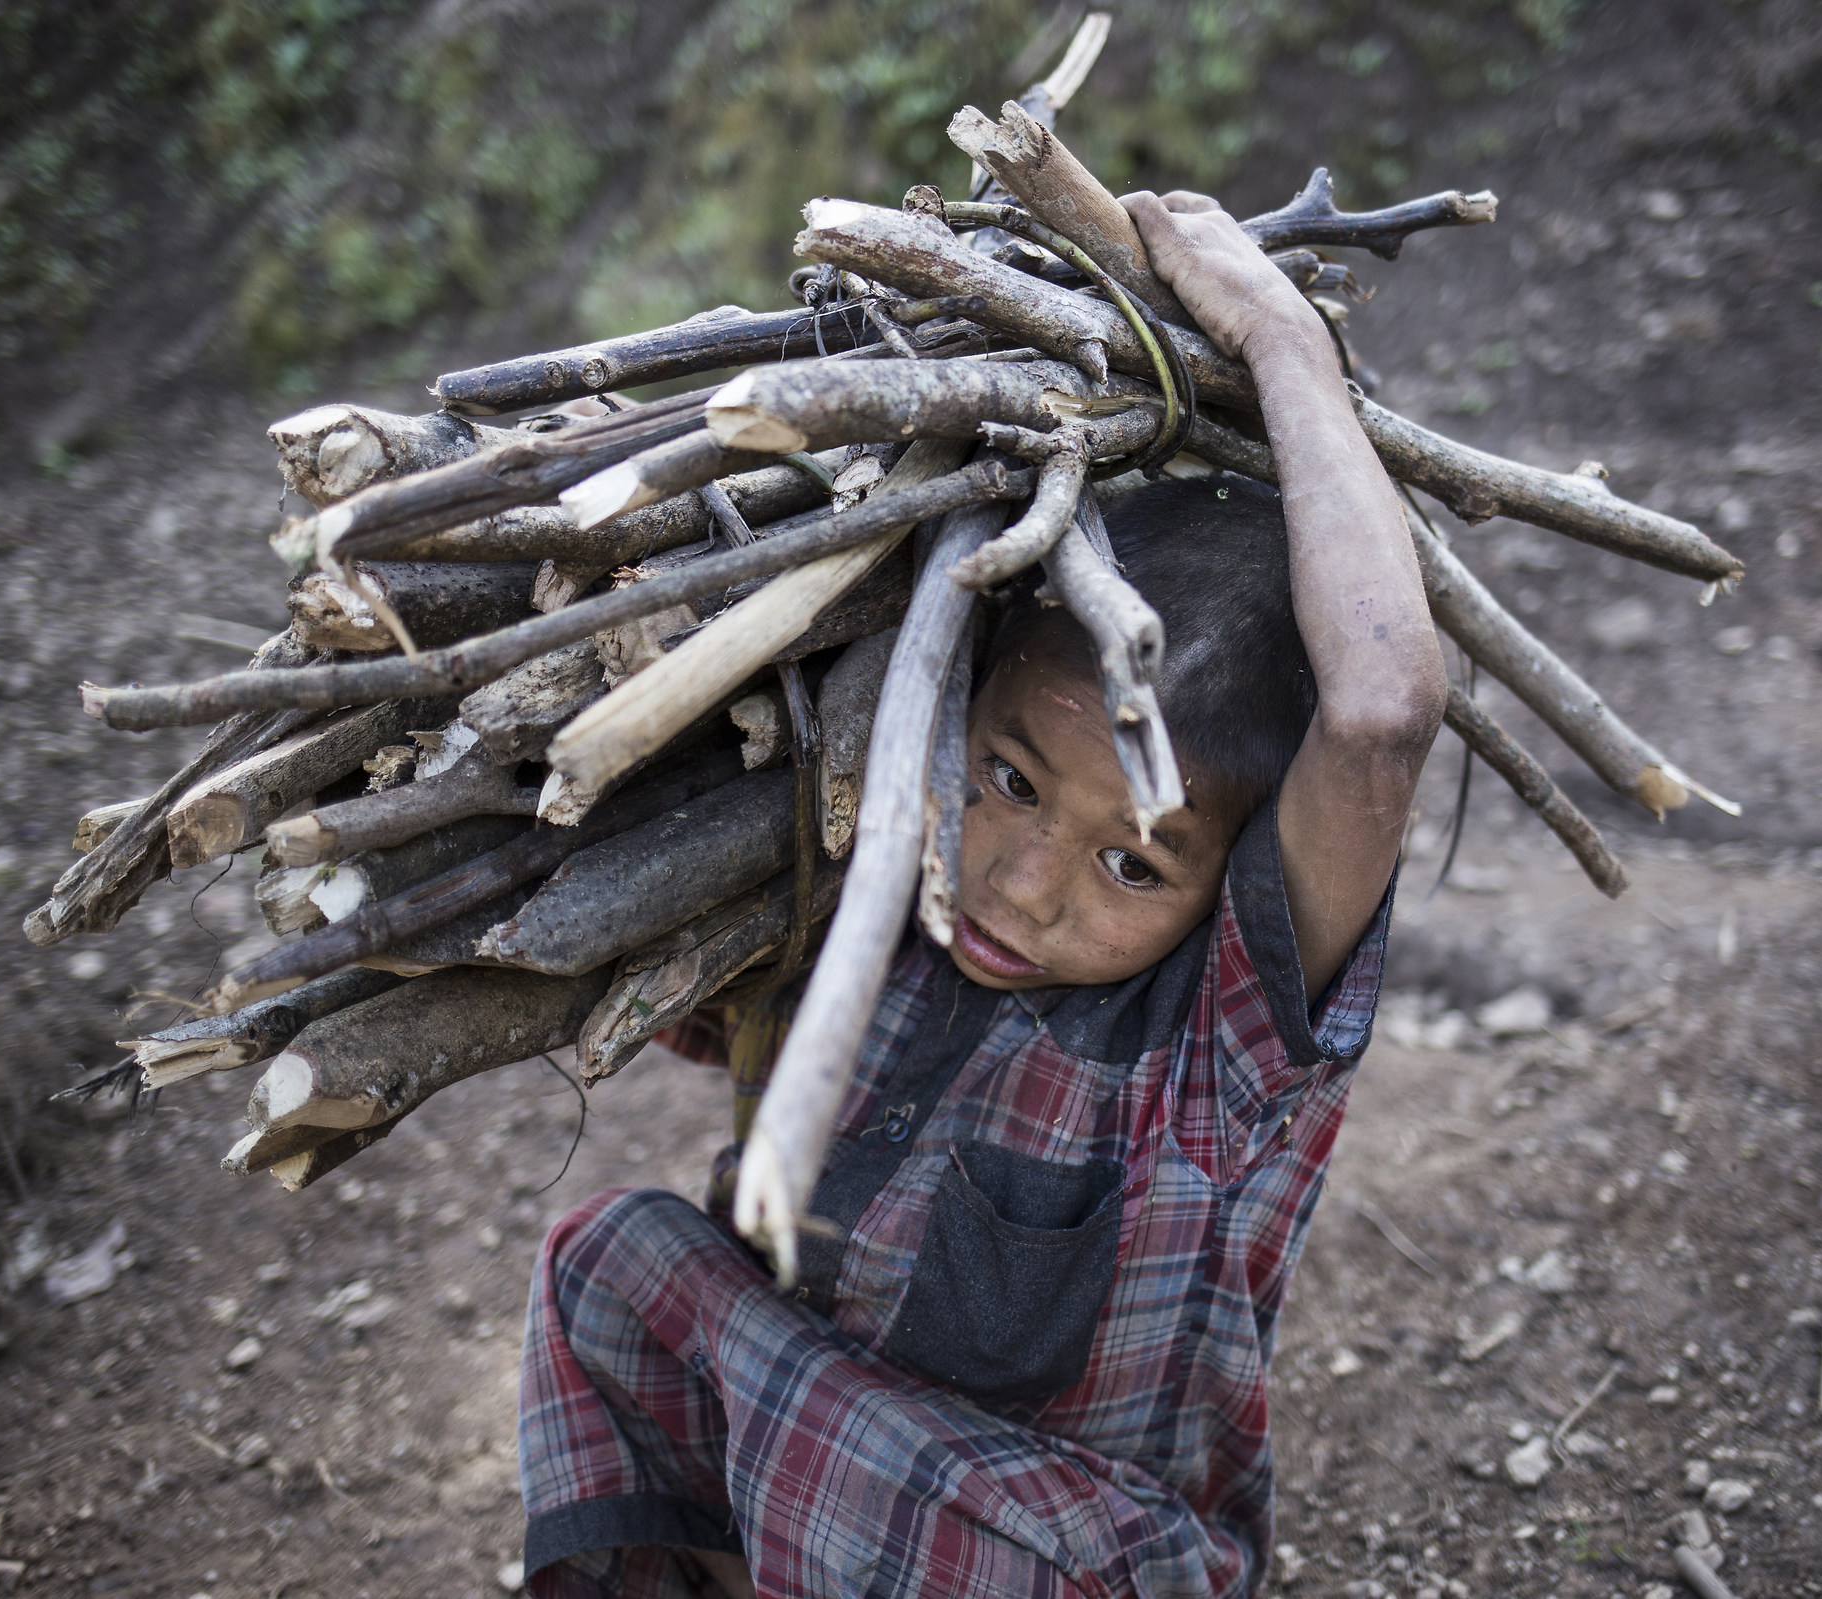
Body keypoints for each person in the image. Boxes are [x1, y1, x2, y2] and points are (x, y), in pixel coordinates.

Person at [516, 190, 1451, 1599]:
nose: (1023, 885)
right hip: (804, 1506)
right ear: (953, 696)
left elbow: (1379, 711)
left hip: (1066, 1560)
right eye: (1009, 780)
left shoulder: (1225, 1051)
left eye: (1133, 862)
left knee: (864, 1447)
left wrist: (1279, 340)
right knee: (613, 1267)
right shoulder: (874, 876)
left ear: (1230, 878)